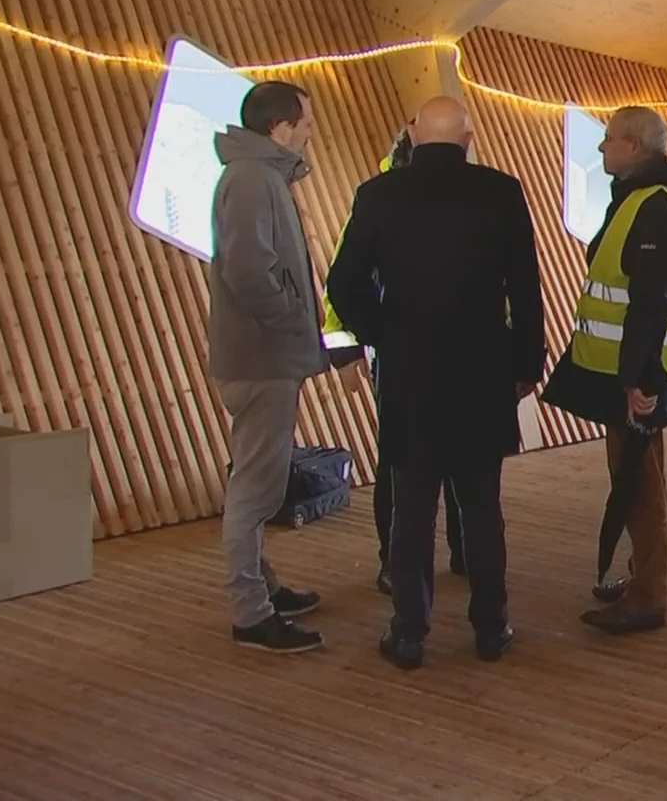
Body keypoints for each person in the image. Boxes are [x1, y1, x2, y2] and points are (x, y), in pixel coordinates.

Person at [325, 97, 543, 669]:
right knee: (481, 506)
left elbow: (342, 285)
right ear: (469, 138)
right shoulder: (503, 192)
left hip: (409, 374)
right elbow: (525, 288)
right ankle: (491, 628)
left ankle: (409, 633)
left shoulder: (378, 194)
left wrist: (385, 334)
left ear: (412, 134)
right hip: (484, 372)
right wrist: (526, 365)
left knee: (412, 508)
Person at [543, 106, 667, 636]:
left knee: (639, 482)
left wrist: (637, 378)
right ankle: (643, 577)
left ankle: (647, 596)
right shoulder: (646, 199)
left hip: (638, 373)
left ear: (635, 146)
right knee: (638, 476)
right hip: (632, 368)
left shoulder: (655, 206)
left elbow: (651, 301)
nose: (601, 148)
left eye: (609, 139)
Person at [208, 80, 328, 654]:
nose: (310, 132)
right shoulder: (255, 179)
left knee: (258, 483)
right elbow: (251, 270)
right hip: (262, 358)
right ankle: (250, 612)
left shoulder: (257, 175)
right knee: (254, 491)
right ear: (281, 127)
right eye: (305, 122)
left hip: (263, 355)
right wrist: (292, 319)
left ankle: (264, 587)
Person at [320, 127, 465, 595]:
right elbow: (344, 279)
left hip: (442, 352)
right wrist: (351, 346)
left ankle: (460, 551)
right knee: (402, 462)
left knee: (456, 456)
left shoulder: (467, 194)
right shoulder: (378, 198)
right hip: (404, 354)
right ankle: (397, 561)